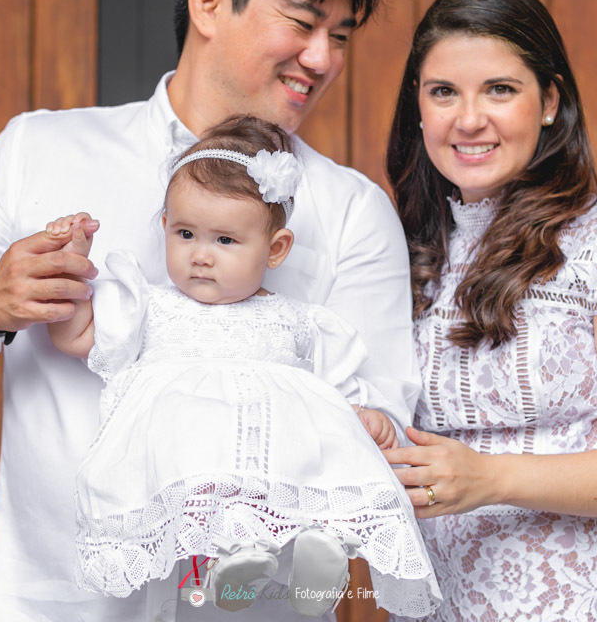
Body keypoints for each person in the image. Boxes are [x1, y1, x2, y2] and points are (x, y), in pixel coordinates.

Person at [0, 0, 419, 621]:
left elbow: (380, 414)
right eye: (301, 23)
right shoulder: (38, 151)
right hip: (54, 604)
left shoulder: (352, 211)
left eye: (342, 37)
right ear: (208, 4)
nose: (322, 58)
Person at [381, 0, 597, 622]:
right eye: (443, 91)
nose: (468, 119)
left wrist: (493, 477)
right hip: (441, 603)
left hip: (590, 602)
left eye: (500, 89)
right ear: (418, 109)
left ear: (549, 101)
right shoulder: (402, 251)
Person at [43, 116, 440, 618]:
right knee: (194, 554)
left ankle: (322, 564)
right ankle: (234, 570)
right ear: (164, 226)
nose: (202, 256)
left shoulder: (298, 321)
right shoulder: (152, 307)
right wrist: (68, 263)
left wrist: (369, 420)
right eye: (186, 233)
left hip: (275, 479)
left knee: (311, 495)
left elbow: (342, 395)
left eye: (225, 241)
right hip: (192, 474)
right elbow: (77, 335)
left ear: (275, 249)